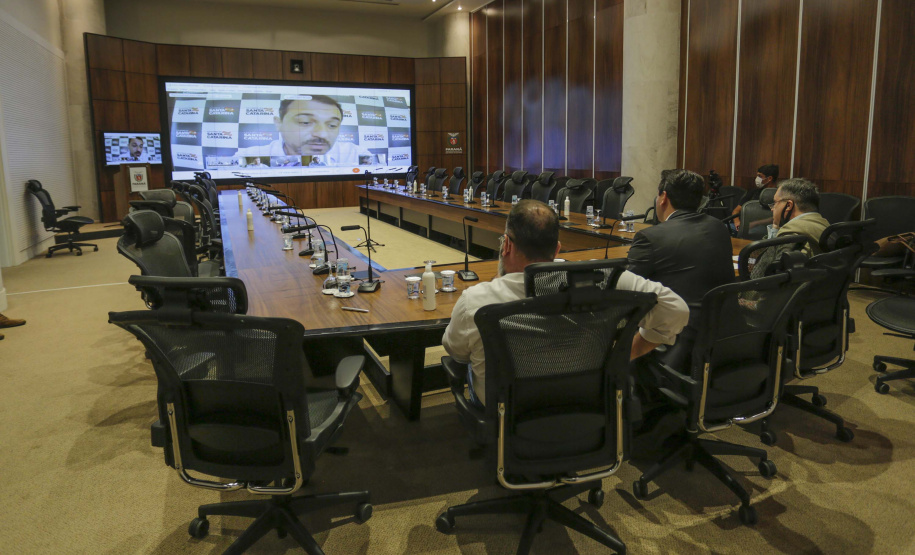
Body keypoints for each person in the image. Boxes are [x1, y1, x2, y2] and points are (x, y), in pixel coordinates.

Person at [442, 200, 690, 407]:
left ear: (506, 245)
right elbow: (675, 309)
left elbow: (456, 352)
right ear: (558, 249)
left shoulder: (476, 301)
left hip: (507, 410)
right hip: (584, 402)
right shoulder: (604, 279)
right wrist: (625, 354)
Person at [628, 169, 735, 309]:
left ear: (664, 197)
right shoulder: (718, 226)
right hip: (723, 321)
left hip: (678, 325)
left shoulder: (650, 237)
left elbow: (628, 286)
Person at [233, 96, 373, 166]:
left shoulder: (356, 156)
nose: (322, 134)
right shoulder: (248, 157)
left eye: (332, 125)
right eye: (305, 122)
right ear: (279, 123)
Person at [752, 178, 830, 278]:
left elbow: (759, 274)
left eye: (775, 203)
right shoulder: (824, 224)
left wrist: (776, 229)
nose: (772, 209)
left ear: (788, 205)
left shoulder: (791, 231)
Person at [732, 163, 778, 229]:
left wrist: (756, 223)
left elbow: (776, 217)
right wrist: (737, 222)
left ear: (769, 178)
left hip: (765, 228)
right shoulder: (753, 192)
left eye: (760, 176)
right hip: (745, 226)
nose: (757, 179)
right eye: (757, 176)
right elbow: (736, 211)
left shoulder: (779, 195)